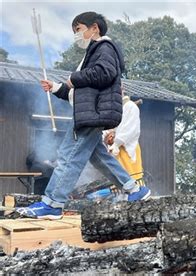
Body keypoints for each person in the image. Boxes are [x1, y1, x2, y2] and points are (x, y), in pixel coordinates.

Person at [17, 12, 150, 220]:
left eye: (78, 29)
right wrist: (56, 87)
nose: (76, 35)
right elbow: (77, 92)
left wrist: (73, 78)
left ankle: (52, 203)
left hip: (91, 115)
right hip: (90, 113)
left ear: (94, 28)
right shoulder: (92, 53)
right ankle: (134, 189)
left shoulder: (104, 47)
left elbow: (104, 73)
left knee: (68, 158)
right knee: (100, 157)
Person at [103, 91, 144, 185]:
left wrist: (117, 143)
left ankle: (136, 194)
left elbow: (131, 130)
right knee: (119, 176)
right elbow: (108, 127)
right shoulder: (115, 109)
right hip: (115, 149)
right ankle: (121, 197)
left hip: (128, 148)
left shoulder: (130, 106)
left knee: (132, 176)